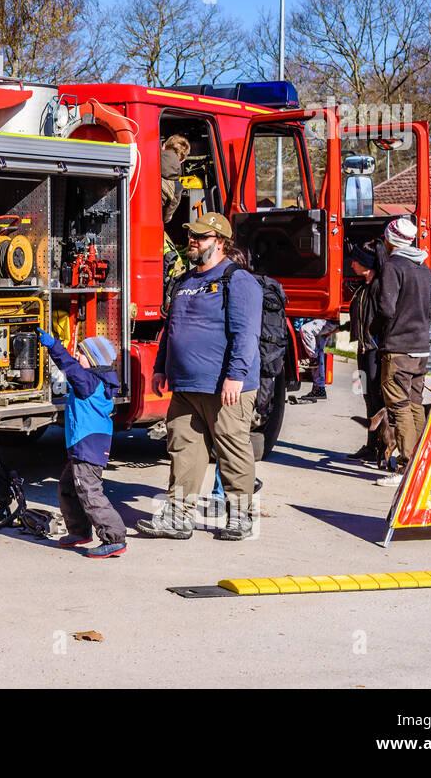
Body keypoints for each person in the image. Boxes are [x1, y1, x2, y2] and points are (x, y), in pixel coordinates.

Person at [136, 211, 262, 540]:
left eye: (201, 237)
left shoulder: (238, 280)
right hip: (186, 386)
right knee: (183, 451)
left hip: (226, 388)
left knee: (233, 449)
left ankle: (241, 516)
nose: (193, 241)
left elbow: (245, 334)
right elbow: (172, 328)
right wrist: (161, 367)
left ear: (220, 242)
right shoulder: (185, 282)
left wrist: (235, 375)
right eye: (192, 236)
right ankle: (178, 518)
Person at [35, 330, 127, 558]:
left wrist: (54, 345)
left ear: (94, 359)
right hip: (83, 447)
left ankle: (114, 537)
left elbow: (69, 365)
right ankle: (79, 531)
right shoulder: (95, 381)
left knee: (89, 492)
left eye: (82, 353)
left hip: (88, 447)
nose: (77, 355)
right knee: (68, 487)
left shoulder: (88, 381)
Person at [373, 216, 431, 487]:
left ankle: (406, 467)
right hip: (420, 347)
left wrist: (375, 329)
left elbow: (386, 308)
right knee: (415, 404)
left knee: (398, 406)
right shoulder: (423, 269)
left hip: (398, 347)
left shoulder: (392, 267)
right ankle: (421, 463)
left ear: (389, 239)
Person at [345, 240, 385, 463]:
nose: (351, 265)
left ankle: (378, 446)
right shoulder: (364, 287)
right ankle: (372, 445)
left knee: (376, 398)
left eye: (356, 261)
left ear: (367, 264)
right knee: (368, 396)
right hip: (363, 349)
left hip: (373, 351)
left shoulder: (378, 287)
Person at [294, 317, 340, 402]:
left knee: (305, 330)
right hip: (330, 321)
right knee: (319, 351)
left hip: (326, 320)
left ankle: (313, 358)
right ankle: (319, 388)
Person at [160, 134, 191, 224]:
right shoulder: (177, 187)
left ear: (164, 146)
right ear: (182, 161)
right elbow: (165, 218)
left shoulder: (143, 160)